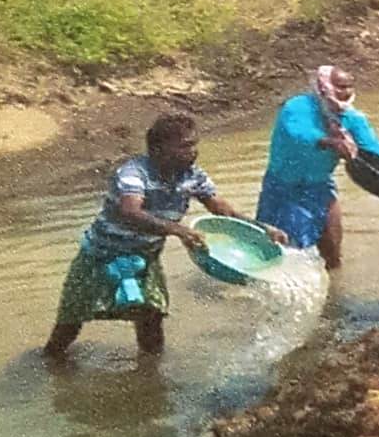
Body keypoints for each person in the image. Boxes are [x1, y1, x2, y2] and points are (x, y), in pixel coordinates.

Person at [43, 112, 286, 357]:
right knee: (71, 321)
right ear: (158, 149)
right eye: (184, 146)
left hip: (144, 258)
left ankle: (149, 379)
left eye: (194, 145)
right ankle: (51, 362)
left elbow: (221, 209)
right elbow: (130, 211)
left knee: (152, 319)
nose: (193, 151)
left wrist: (261, 228)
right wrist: (177, 230)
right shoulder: (134, 173)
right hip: (101, 255)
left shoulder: (192, 176)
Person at [256, 65, 379, 270]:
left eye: (349, 87)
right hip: (283, 188)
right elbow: (299, 133)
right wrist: (330, 142)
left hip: (320, 186)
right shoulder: (297, 107)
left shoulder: (352, 118)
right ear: (324, 86)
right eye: (340, 86)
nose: (346, 92)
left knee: (332, 251)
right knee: (280, 249)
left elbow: (370, 146)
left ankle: (334, 292)